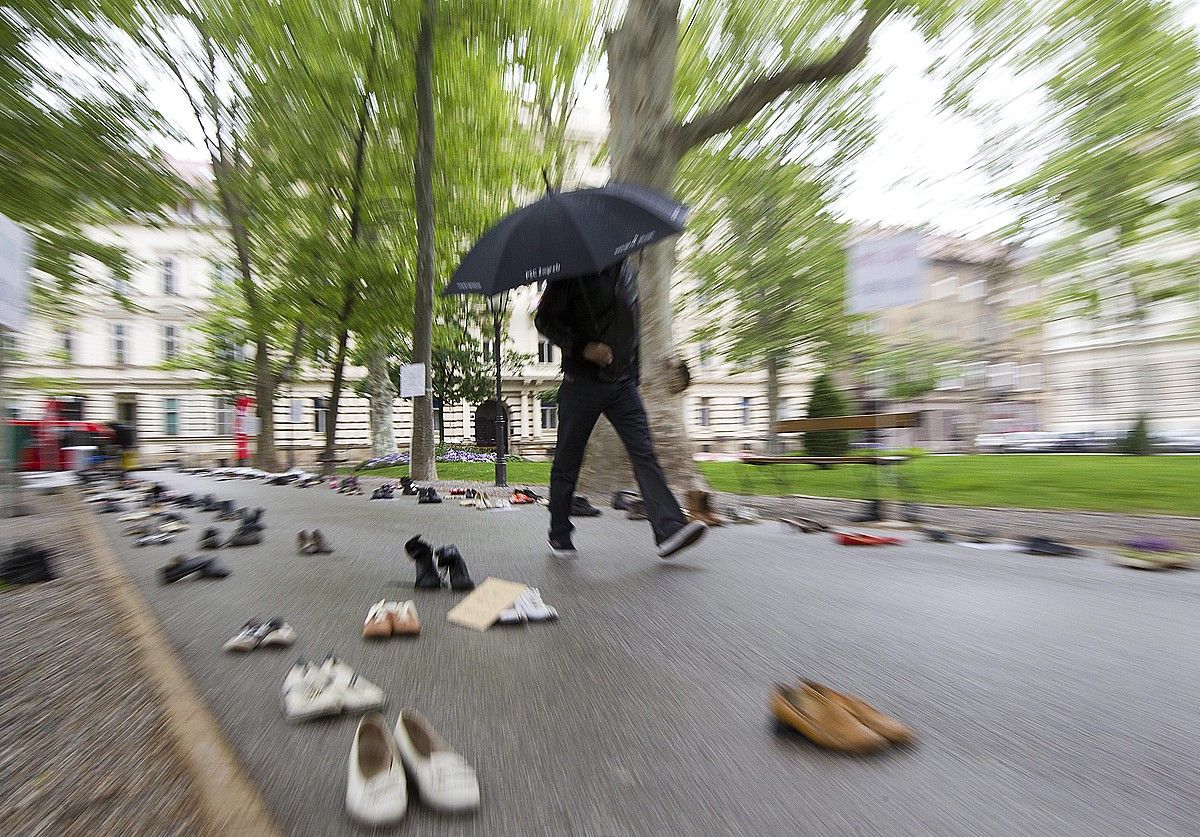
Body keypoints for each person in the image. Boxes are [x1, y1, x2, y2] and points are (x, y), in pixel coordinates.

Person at [534, 259, 707, 559]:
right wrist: (583, 347)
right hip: (581, 383)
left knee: (644, 452)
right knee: (567, 461)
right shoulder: (571, 273)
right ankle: (559, 533)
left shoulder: (628, 270)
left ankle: (669, 530)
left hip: (623, 383)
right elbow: (544, 320)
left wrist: (634, 375)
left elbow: (633, 326)